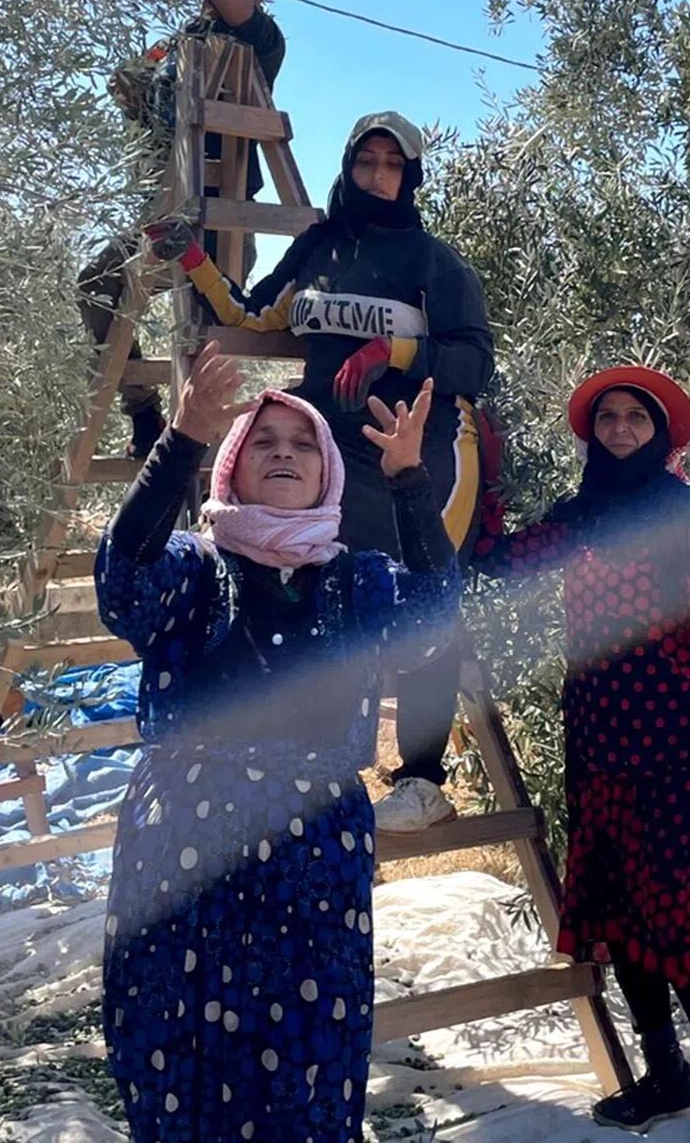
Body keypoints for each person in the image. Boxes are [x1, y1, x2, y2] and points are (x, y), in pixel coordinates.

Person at [95, 340, 458, 1143]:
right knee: (175, 1043)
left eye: (302, 444)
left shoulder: (358, 581)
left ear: (329, 472)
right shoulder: (193, 569)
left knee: (308, 1051)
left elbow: (435, 621)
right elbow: (122, 586)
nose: (284, 453)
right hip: (183, 842)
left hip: (316, 855)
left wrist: (408, 480)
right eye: (263, 441)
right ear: (231, 468)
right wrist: (181, 440)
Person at [148, 111, 494, 834]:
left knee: (427, 600)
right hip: (332, 451)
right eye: (366, 162)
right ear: (348, 167)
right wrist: (193, 258)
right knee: (318, 593)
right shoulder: (318, 247)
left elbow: (474, 362)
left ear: (410, 176)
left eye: (392, 165)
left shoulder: (435, 263)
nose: (378, 176)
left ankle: (423, 781)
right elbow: (252, 311)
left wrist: (395, 354)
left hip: (420, 449)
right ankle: (314, 762)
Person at [474, 366, 690, 1143]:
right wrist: (479, 471)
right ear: (593, 433)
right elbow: (499, 562)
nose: (621, 429)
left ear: (660, 433)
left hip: (670, 749)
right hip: (597, 740)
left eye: (636, 417)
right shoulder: (579, 517)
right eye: (608, 418)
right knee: (616, 909)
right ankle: (665, 1075)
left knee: (675, 918)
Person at [77, 0, 285, 459]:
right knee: (97, 283)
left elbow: (238, 12)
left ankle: (212, 466)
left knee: (203, 345)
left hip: (223, 222)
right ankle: (144, 413)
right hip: (167, 208)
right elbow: (126, 78)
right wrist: (141, 103)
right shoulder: (175, 43)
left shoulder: (262, 40)